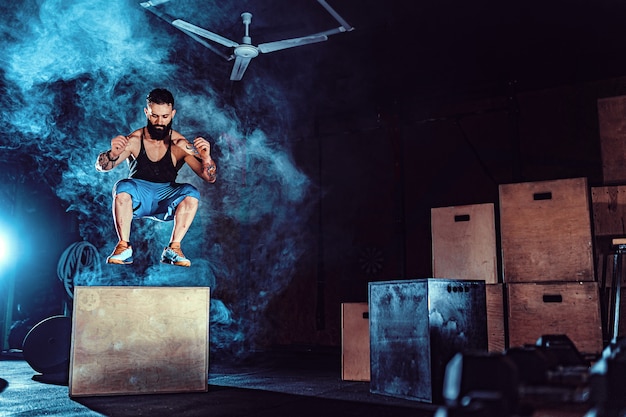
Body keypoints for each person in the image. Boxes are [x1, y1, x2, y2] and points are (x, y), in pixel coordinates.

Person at [95, 88, 217, 267]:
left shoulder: (180, 144)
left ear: (173, 114)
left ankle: (174, 248)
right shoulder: (134, 140)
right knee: (122, 186)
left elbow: (209, 177)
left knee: (191, 193)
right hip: (139, 198)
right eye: (154, 116)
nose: (159, 122)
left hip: (165, 200)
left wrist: (206, 157)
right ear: (146, 112)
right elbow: (103, 167)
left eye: (165, 117)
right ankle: (123, 247)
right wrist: (112, 154)